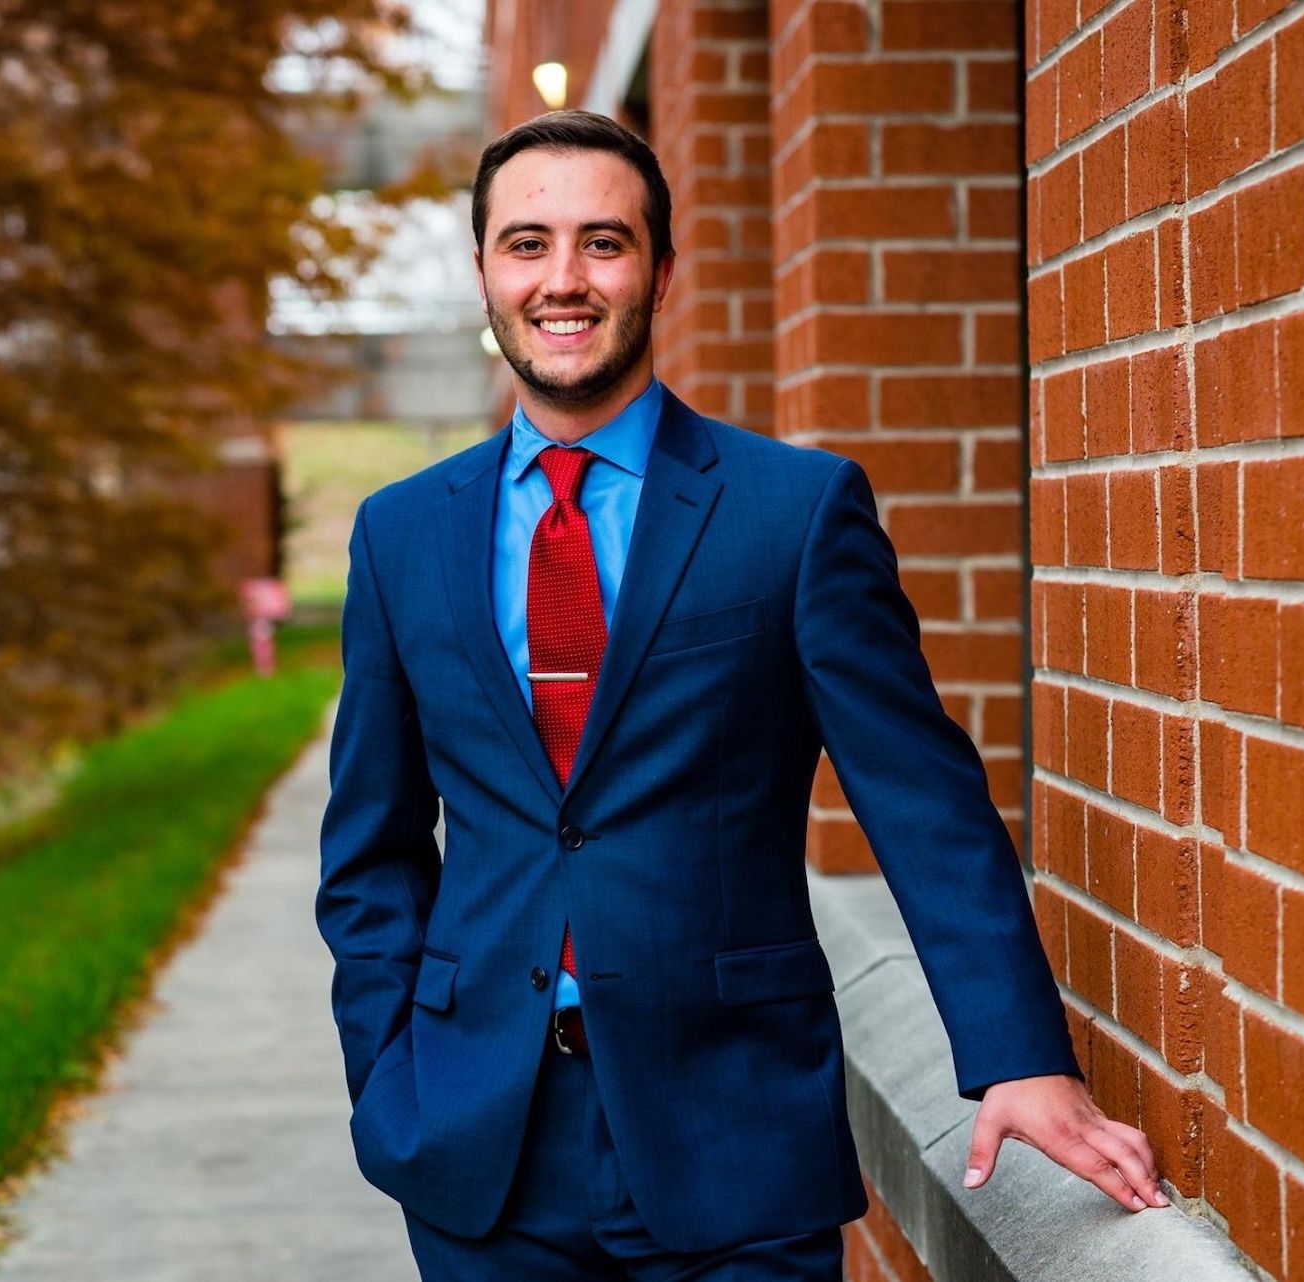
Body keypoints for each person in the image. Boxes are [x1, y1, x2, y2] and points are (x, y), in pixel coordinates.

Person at [316, 109, 1165, 1280]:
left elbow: (925, 803)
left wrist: (1019, 1055)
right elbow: (371, 846)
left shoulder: (793, 512)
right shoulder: (400, 534)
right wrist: (389, 1071)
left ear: (662, 271)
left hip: (735, 1134)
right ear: (483, 273)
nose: (563, 279)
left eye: (602, 243)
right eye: (527, 244)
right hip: (480, 1153)